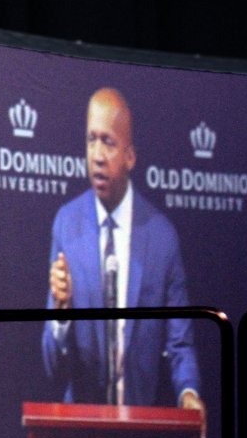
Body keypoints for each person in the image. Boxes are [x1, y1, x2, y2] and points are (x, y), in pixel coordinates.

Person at [41, 87, 205, 415]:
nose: (97, 155)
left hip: (140, 425)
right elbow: (51, 366)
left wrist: (188, 392)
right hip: (81, 427)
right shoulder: (67, 225)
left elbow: (180, 344)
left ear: (130, 156)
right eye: (91, 140)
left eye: (108, 142)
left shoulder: (161, 237)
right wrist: (60, 315)